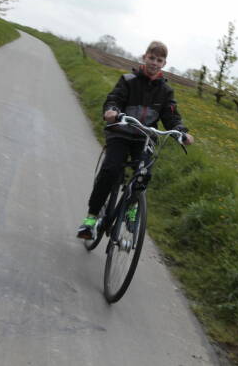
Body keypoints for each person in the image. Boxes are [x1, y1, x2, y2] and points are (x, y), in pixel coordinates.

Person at [77, 40, 194, 239]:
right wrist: (111, 111)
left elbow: (171, 116)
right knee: (110, 170)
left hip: (144, 139)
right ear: (144, 57)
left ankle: (131, 209)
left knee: (143, 174)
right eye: (152, 58)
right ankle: (91, 219)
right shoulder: (128, 80)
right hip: (120, 133)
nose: (154, 63)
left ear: (164, 64)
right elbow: (114, 99)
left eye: (159, 60)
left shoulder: (166, 91)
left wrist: (181, 132)